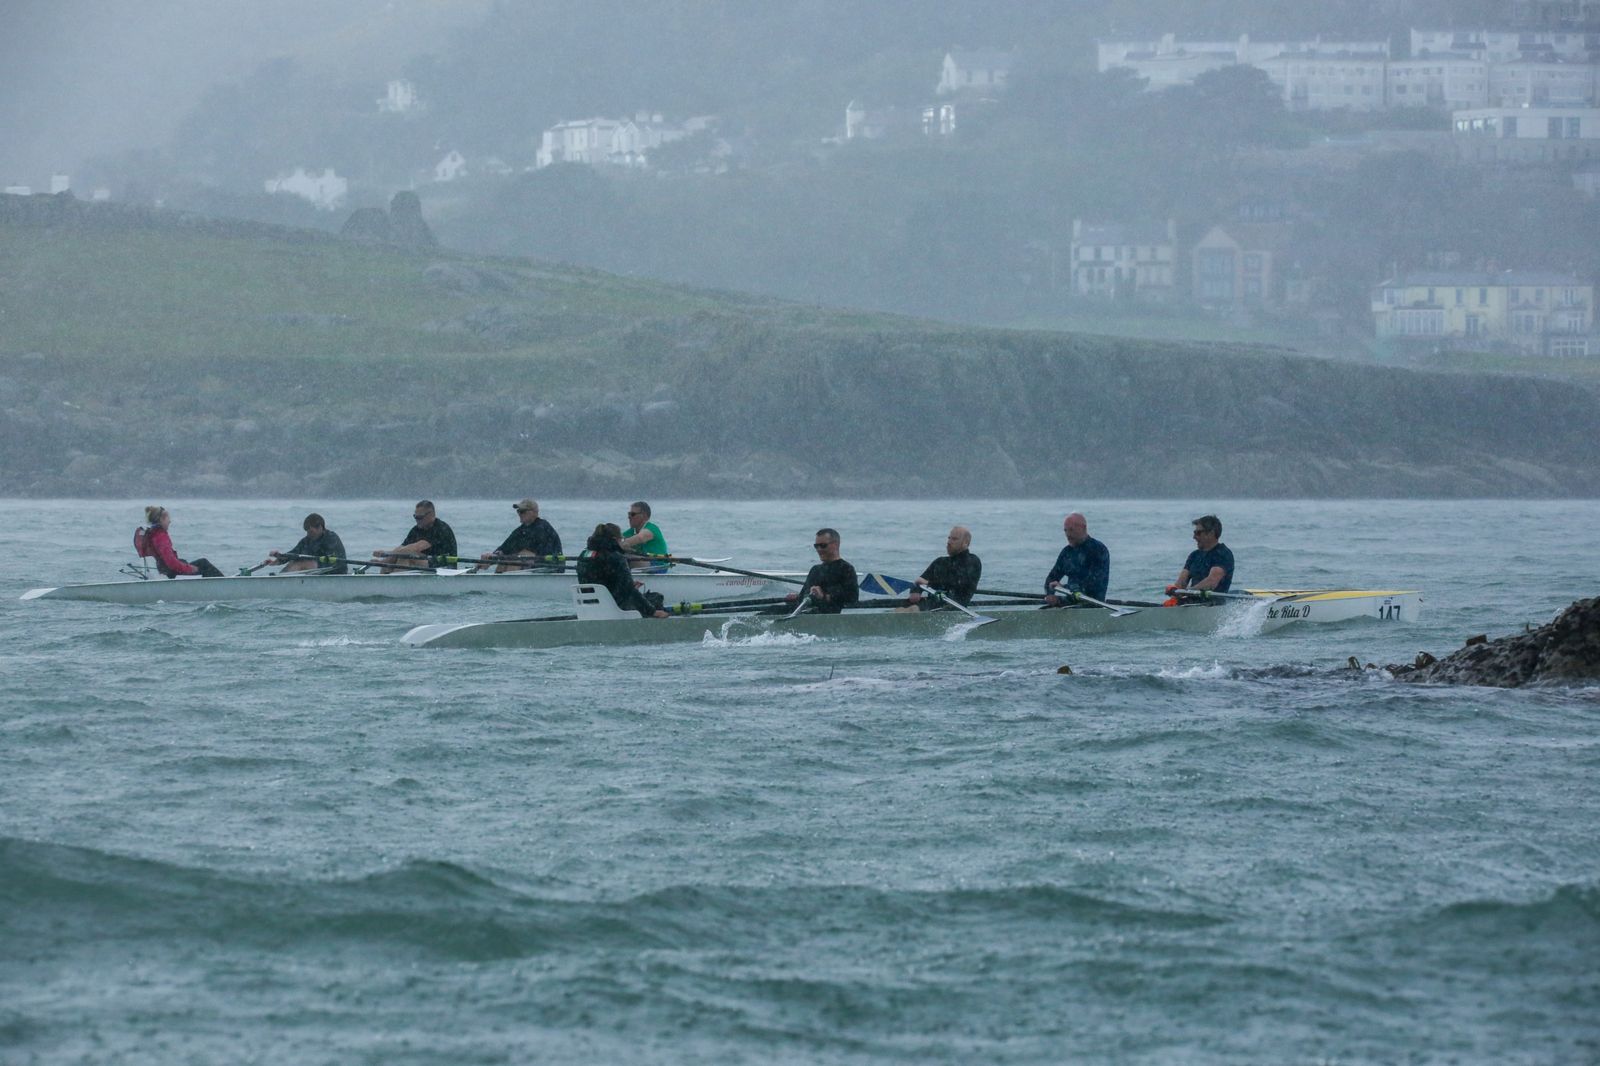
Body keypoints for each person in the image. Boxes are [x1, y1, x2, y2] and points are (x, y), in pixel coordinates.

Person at [576, 523, 668, 618]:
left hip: (589, 607)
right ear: (615, 540)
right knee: (656, 598)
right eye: (622, 540)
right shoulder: (616, 558)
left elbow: (600, 581)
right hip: (613, 608)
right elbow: (630, 590)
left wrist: (625, 585)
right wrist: (652, 611)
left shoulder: (584, 555)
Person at [784, 528, 859, 615]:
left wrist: (824, 596)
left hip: (831, 616)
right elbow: (802, 598)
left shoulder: (846, 569)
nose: (819, 549)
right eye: (816, 546)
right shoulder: (815, 570)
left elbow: (852, 598)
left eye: (823, 545)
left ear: (835, 545)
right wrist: (796, 598)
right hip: (809, 614)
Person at [907, 526, 982, 610]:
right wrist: (915, 591)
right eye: (949, 538)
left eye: (954, 539)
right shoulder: (940, 562)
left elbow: (958, 583)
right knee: (900, 609)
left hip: (954, 608)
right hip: (932, 607)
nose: (949, 542)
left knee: (911, 610)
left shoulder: (973, 561)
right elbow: (919, 581)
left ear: (965, 543)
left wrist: (928, 584)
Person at [1044, 512, 1110, 606]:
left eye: (1071, 530)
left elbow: (1093, 585)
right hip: (1071, 604)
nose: (1068, 534)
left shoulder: (1098, 550)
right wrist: (1049, 595)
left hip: (1093, 606)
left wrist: (1063, 587)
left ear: (1083, 528)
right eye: (1065, 531)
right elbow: (1051, 578)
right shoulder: (1067, 553)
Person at [375, 500, 457, 573]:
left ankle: (395, 583)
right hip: (426, 561)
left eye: (420, 517)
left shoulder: (440, 528)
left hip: (443, 565)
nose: (417, 520)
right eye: (415, 517)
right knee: (399, 556)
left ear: (431, 515)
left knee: (405, 554)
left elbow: (415, 547)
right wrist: (386, 558)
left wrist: (386, 556)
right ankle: (385, 579)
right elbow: (401, 548)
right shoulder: (416, 529)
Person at [141, 505, 224, 578]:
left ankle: (220, 583)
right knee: (204, 565)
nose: (170, 521)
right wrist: (189, 569)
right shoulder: (160, 537)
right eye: (168, 519)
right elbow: (171, 563)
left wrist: (186, 565)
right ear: (161, 520)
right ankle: (224, 584)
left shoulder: (153, 533)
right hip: (172, 574)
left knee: (202, 562)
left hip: (168, 571)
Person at [481, 498, 562, 572]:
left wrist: (504, 556)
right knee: (505, 560)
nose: (519, 514)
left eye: (523, 511)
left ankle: (507, 585)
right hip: (534, 566)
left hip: (551, 567)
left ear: (534, 512)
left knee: (517, 558)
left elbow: (527, 551)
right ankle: (497, 584)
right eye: (518, 511)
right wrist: (492, 557)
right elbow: (505, 548)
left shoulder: (543, 527)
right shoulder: (520, 530)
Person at [1171, 513, 1234, 596]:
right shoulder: (1194, 555)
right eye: (1194, 532)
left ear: (1211, 533)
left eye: (1198, 533)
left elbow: (1211, 582)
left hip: (1214, 604)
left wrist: (1187, 591)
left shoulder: (1223, 554)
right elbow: (1181, 582)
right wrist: (1174, 590)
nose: (1194, 537)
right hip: (1191, 600)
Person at [262, 513, 347, 574]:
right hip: (319, 570)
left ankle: (279, 583)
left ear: (320, 527)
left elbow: (326, 559)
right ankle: (279, 579)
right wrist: (278, 559)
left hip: (335, 570)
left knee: (304, 563)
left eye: (311, 532)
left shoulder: (331, 537)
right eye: (307, 532)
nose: (308, 535)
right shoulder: (307, 540)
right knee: (293, 562)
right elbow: (293, 554)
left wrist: (302, 560)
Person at [619, 501, 670, 571]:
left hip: (658, 565)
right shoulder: (630, 532)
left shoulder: (652, 528)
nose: (629, 517)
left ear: (644, 516)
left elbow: (640, 538)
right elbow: (617, 539)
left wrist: (621, 544)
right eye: (629, 514)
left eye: (632, 514)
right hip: (642, 565)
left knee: (627, 559)